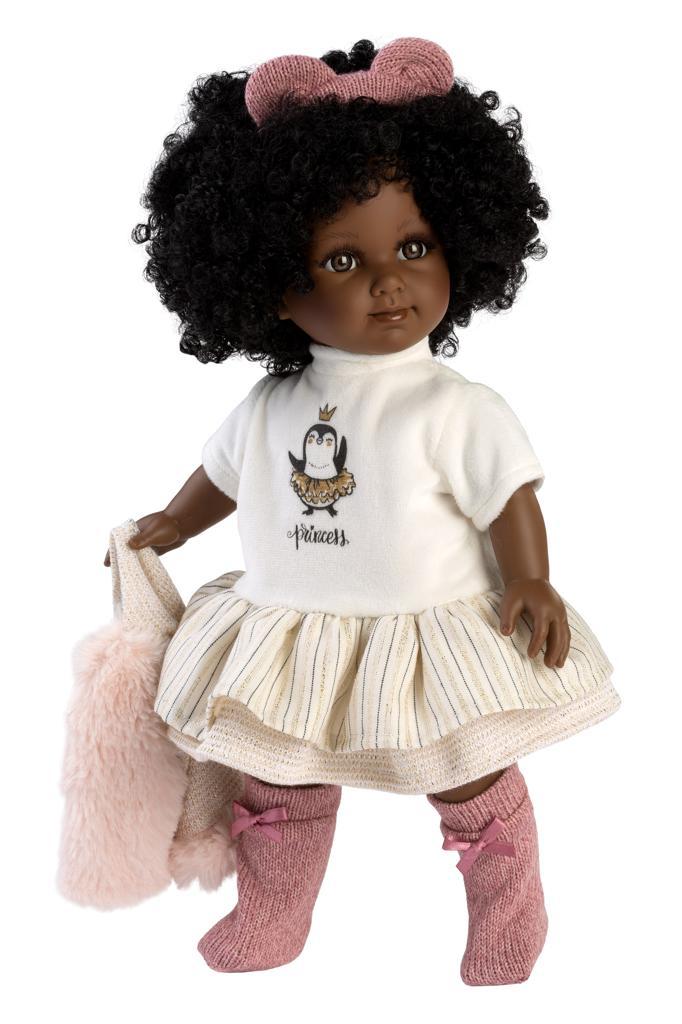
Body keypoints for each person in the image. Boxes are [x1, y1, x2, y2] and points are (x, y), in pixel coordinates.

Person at [105, 37, 620, 984]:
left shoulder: (453, 407)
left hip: (425, 634)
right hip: (293, 631)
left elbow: (508, 495)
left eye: (414, 248)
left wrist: (532, 579)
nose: (389, 281)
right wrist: (173, 523)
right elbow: (223, 474)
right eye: (343, 259)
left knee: (468, 773)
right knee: (277, 774)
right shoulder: (270, 405)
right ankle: (273, 911)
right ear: (271, 284)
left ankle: (511, 909)